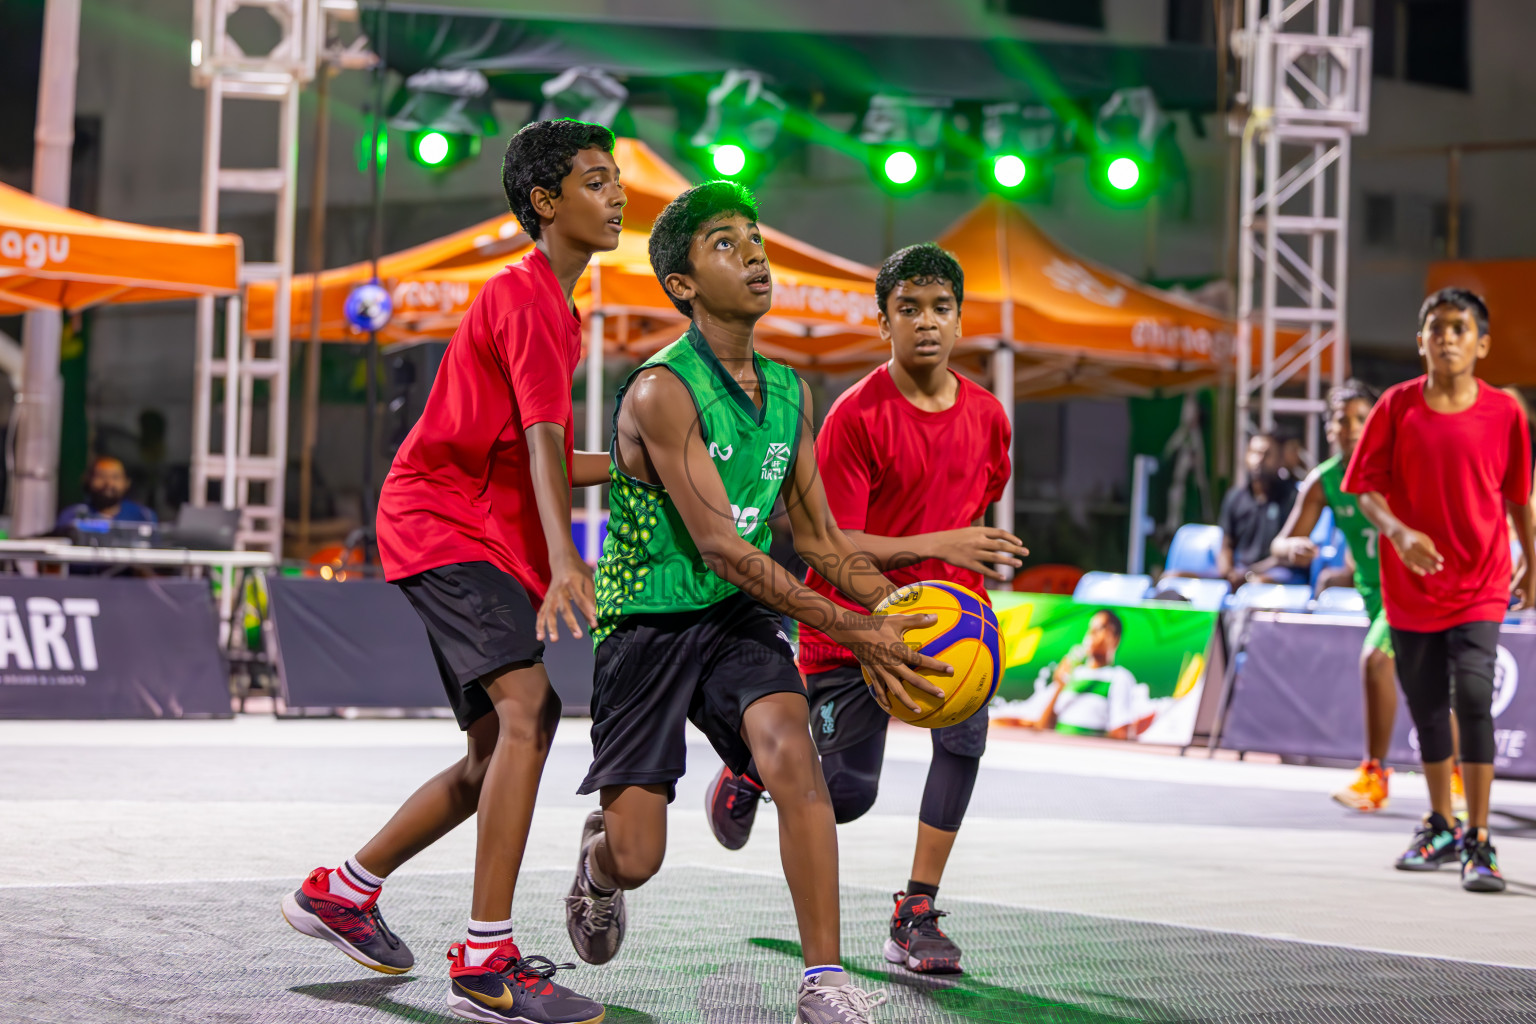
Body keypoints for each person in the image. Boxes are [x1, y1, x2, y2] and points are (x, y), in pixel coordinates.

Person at [562, 181, 951, 1024]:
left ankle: (823, 979)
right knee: (639, 855)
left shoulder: (787, 392)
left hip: (737, 622)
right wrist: (855, 629)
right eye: (726, 245)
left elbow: (819, 540)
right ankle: (598, 865)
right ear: (683, 285)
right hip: (647, 624)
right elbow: (725, 548)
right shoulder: (663, 389)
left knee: (793, 758)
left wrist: (903, 612)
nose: (754, 255)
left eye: (755, 238)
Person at [280, 119, 626, 1024]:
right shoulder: (529, 300)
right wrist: (564, 561)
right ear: (545, 204)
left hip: (467, 526)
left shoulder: (553, 305)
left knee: (490, 754)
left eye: (616, 177)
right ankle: (485, 962)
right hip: (444, 522)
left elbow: (531, 452)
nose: (618, 193)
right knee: (531, 712)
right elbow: (544, 450)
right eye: (596, 181)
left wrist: (640, 461)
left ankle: (343, 892)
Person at [699, 242, 1023, 977]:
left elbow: (975, 508)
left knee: (963, 744)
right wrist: (937, 543)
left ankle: (916, 910)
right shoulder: (854, 417)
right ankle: (751, 768)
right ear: (884, 323)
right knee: (846, 795)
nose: (927, 323)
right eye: (908, 309)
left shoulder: (990, 417)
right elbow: (826, 546)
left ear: (961, 319)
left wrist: (959, 575)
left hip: (950, 623)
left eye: (941, 307)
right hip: (854, 630)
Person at [1344, 287, 1535, 894]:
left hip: (1480, 580)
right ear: (1420, 340)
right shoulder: (1396, 407)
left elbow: (1518, 497)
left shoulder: (1506, 412)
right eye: (1437, 327)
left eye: (1460, 328)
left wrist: (1533, 560)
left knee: (1474, 696)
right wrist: (1399, 534)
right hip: (1411, 584)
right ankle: (1441, 823)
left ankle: (1480, 839)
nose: (1448, 337)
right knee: (1427, 707)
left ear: (1481, 344)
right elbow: (1366, 488)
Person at [1272, 381, 1407, 812]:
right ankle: (1444, 776)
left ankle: (1376, 775)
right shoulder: (1325, 479)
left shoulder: (1399, 468)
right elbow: (1281, 542)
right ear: (1328, 428)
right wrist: (1290, 548)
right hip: (1374, 595)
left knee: (1377, 661)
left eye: (1361, 419)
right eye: (1340, 420)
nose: (1350, 428)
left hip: (1411, 591)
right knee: (1430, 684)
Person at [994, 610, 1158, 738]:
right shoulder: (1074, 674)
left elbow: (1119, 733)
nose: (1091, 634)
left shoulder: (1119, 677)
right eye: (1090, 629)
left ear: (1115, 638)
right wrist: (1059, 684)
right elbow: (1042, 726)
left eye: (1100, 629)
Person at [1216, 432, 1300, 587]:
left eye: (1266, 454)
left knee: (1259, 583)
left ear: (1280, 460)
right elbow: (1226, 546)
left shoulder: (1293, 498)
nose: (1259, 459)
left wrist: (1249, 573)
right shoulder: (1234, 497)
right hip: (1240, 572)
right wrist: (1227, 573)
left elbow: (1287, 556)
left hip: (1276, 572)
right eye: (1254, 453)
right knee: (1174, 577)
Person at [56, 455, 157, 532]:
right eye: (101, 476)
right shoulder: (73, 516)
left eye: (115, 477)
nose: (109, 483)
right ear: (88, 480)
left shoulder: (143, 516)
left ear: (126, 482)